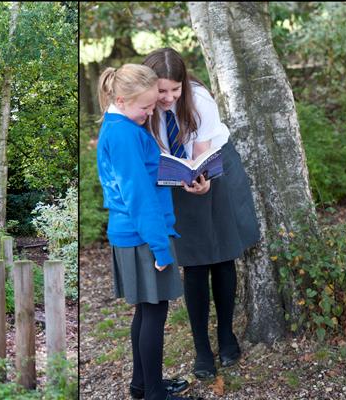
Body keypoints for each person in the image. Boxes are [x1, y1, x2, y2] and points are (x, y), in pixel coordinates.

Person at [143, 47, 262, 380]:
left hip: (212, 169)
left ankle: (226, 336)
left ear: (183, 83)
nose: (168, 98)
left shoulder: (199, 99)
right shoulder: (144, 107)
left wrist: (203, 179)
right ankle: (201, 350)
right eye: (161, 90)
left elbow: (201, 151)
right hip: (174, 179)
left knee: (223, 256)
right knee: (194, 263)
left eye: (174, 90)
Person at [96, 64, 196, 400]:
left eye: (153, 106)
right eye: (146, 107)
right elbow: (137, 196)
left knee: (147, 310)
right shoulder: (123, 133)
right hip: (143, 236)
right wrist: (161, 248)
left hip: (138, 234)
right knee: (154, 313)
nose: (151, 112)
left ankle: (142, 385)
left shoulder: (120, 125)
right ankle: (154, 393)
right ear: (122, 100)